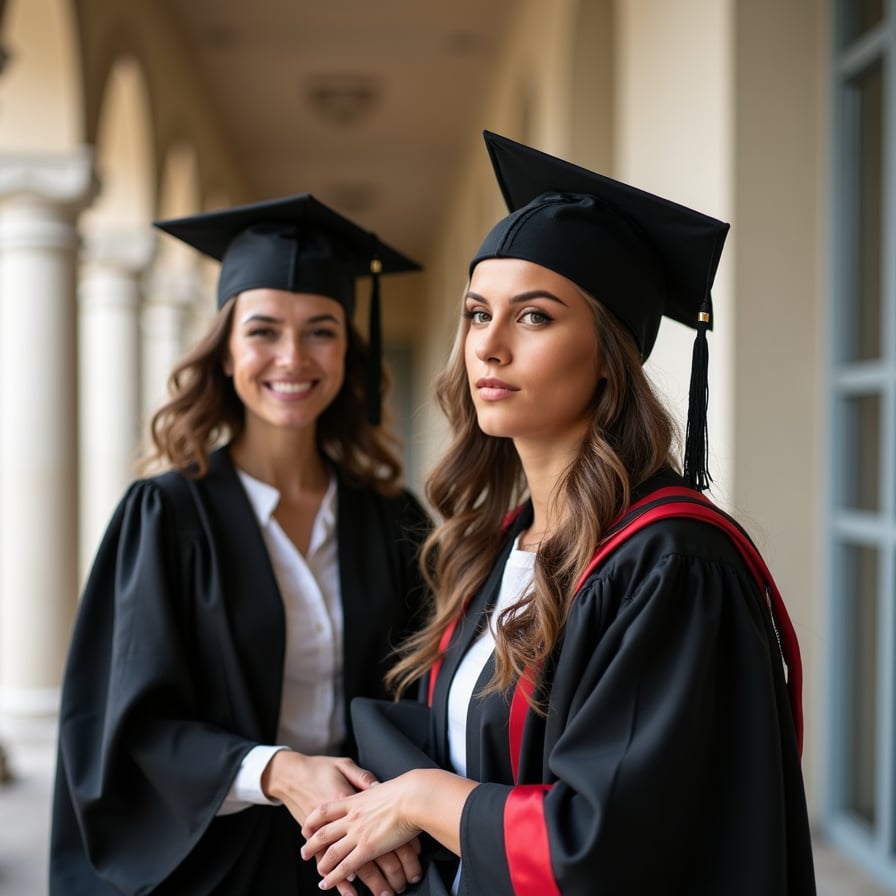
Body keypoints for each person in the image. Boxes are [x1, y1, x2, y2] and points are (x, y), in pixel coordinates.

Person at [299, 132, 817, 895]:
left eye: (534, 318)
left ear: (610, 354)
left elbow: (610, 843)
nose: (489, 347)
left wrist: (419, 798)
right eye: (478, 314)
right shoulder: (507, 542)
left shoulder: (668, 565)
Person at [50, 194, 432, 895]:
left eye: (321, 330)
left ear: (348, 351)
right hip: (210, 862)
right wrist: (281, 771)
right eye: (263, 331)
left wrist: (395, 807)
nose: (292, 356)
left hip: (361, 856)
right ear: (225, 352)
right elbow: (125, 726)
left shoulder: (391, 519)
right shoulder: (165, 515)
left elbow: (426, 692)